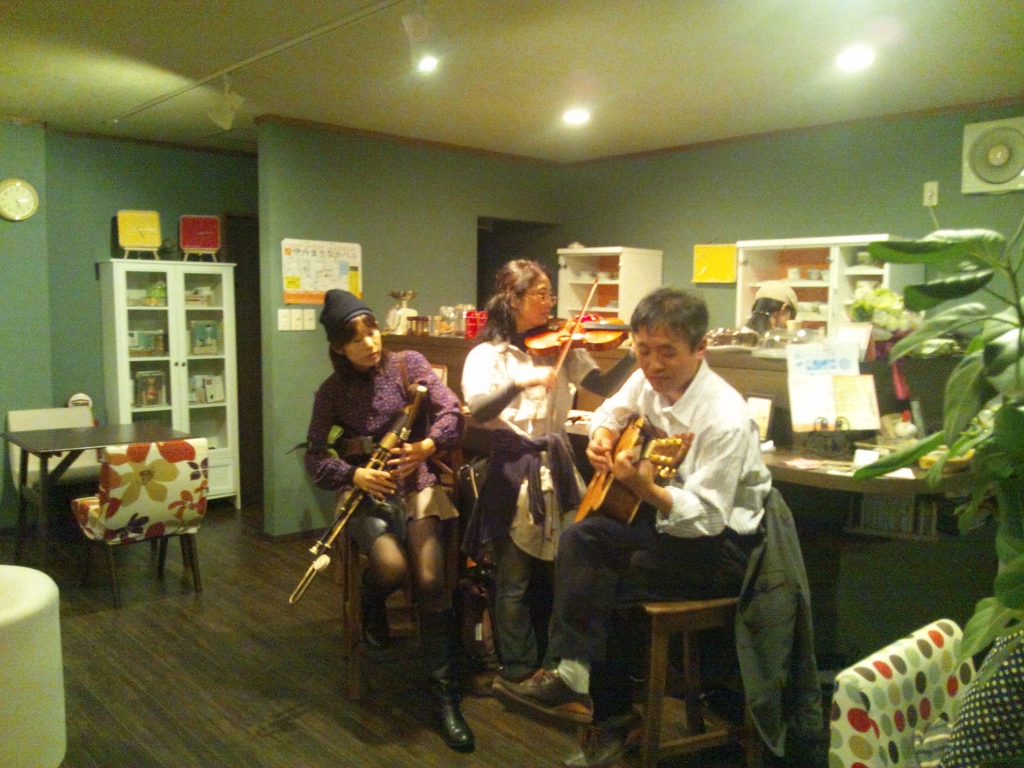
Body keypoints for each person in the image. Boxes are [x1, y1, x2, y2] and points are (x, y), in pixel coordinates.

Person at [504, 287, 774, 767]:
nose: (653, 364)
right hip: (668, 527)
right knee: (582, 538)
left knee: (598, 576)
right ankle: (578, 678)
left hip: (724, 549)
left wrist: (645, 490)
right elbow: (610, 410)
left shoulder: (724, 416)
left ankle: (607, 711)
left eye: (667, 352)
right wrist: (602, 435)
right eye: (643, 350)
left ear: (700, 348)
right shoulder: (646, 381)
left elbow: (710, 517)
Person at [460, 259, 637, 718]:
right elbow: (479, 409)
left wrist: (634, 353)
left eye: (550, 294)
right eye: (540, 294)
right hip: (512, 465)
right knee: (513, 578)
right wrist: (520, 381)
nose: (549, 302)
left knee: (568, 571)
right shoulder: (489, 356)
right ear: (513, 299)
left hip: (556, 463)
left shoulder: (562, 346)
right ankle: (517, 669)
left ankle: (558, 669)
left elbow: (602, 384)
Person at [303, 289, 474, 753]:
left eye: (372, 330)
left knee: (431, 579)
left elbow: (452, 409)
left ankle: (445, 698)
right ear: (338, 347)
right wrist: (353, 473)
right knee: (392, 568)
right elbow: (315, 455)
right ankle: (370, 599)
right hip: (366, 496)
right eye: (355, 338)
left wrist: (427, 446)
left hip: (417, 487)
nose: (370, 343)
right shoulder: (331, 392)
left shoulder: (408, 364)